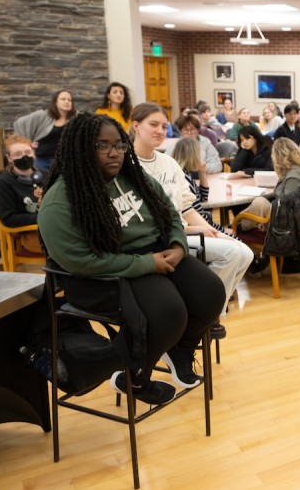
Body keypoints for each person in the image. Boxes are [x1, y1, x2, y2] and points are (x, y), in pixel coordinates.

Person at [38, 112, 226, 405]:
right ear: (81, 149)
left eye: (119, 145)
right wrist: (146, 264)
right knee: (169, 314)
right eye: (102, 146)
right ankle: (134, 378)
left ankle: (179, 349)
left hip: (157, 251)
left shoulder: (131, 175)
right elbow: (79, 261)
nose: (114, 153)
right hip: (110, 272)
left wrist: (178, 245)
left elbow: (168, 211)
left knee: (211, 294)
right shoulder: (60, 201)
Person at [130, 102, 252, 325]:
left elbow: (187, 207)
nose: (160, 131)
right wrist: (194, 229)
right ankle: (207, 317)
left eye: (164, 126)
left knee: (245, 252)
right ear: (136, 126)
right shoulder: (128, 165)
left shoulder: (169, 163)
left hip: (186, 230)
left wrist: (211, 230)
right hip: (164, 239)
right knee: (231, 253)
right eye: (153, 124)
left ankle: (211, 314)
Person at [236, 137, 300, 232]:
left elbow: (286, 211)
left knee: (259, 203)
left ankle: (237, 227)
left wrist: (267, 219)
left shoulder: (293, 179)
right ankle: (238, 226)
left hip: (289, 228)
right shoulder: (296, 171)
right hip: (293, 222)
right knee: (259, 203)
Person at [169, 137, 236, 238]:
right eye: (199, 155)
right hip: (199, 229)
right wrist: (220, 230)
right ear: (191, 156)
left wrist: (202, 173)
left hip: (203, 224)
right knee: (237, 241)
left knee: (234, 235)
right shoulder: (183, 179)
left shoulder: (186, 174)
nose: (201, 158)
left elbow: (202, 199)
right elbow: (195, 215)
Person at [13, 89, 75, 171]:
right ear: (55, 103)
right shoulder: (43, 116)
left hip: (63, 162)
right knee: (42, 182)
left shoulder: (75, 120)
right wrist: (27, 143)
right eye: (63, 99)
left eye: (69, 100)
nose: (67, 102)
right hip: (41, 160)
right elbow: (19, 123)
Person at [0, 136, 46, 232]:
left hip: (52, 226)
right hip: (32, 231)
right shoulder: (3, 182)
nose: (24, 156)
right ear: (9, 158)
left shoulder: (47, 175)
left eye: (28, 152)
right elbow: (8, 218)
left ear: (34, 153)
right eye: (18, 154)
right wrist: (44, 218)